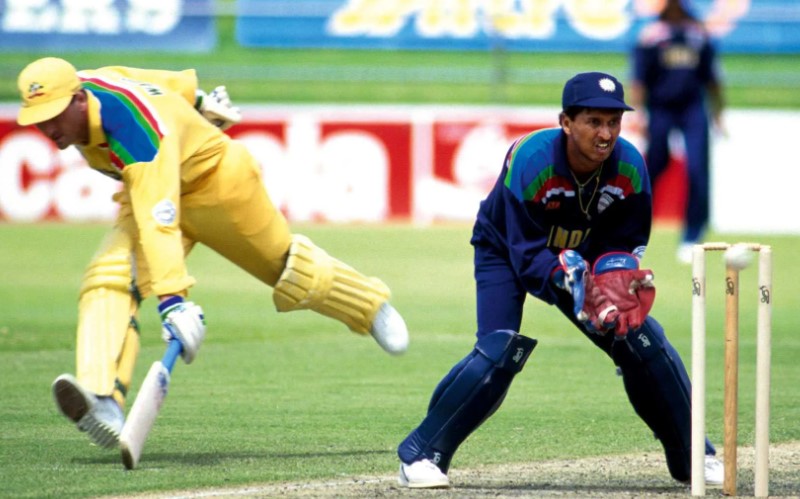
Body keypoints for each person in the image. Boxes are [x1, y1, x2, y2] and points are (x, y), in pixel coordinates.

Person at [16, 57, 409, 449]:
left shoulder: (133, 131)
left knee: (288, 270)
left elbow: (159, 219)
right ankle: (101, 397)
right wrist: (199, 98)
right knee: (109, 276)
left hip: (218, 187)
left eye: (55, 116)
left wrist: (173, 301)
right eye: (39, 118)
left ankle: (368, 305)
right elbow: (154, 81)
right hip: (150, 195)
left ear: (79, 100)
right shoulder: (91, 81)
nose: (48, 129)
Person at [395, 72, 723, 489]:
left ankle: (693, 456)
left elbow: (626, 240)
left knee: (640, 339)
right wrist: (567, 281)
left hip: (583, 257)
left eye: (614, 122)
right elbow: (526, 253)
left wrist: (612, 278)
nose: (606, 134)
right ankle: (421, 454)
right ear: (566, 122)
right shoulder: (531, 158)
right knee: (500, 348)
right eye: (594, 122)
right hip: (506, 249)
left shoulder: (630, 165)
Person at [629, 0, 725, 264]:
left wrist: (718, 113)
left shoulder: (698, 34)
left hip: (693, 109)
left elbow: (712, 78)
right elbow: (638, 79)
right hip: (660, 108)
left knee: (697, 169)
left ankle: (692, 234)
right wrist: (638, 113)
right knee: (654, 166)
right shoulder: (651, 35)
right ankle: (633, 227)